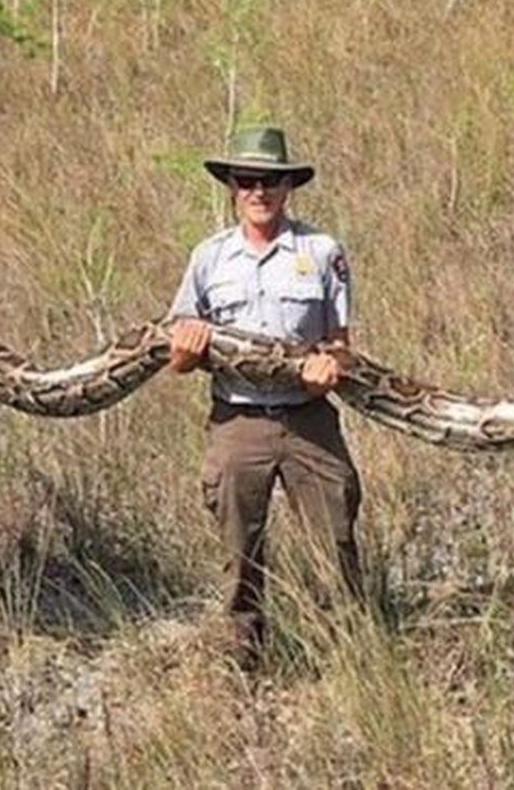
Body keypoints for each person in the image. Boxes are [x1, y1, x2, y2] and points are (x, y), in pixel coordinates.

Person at [168, 126, 362, 671]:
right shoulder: (209, 258)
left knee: (336, 542)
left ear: (288, 187)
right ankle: (243, 663)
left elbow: (344, 348)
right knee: (239, 552)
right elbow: (178, 358)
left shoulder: (322, 252)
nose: (259, 191)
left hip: (308, 419)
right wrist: (186, 348)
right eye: (248, 180)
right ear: (232, 186)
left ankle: (350, 659)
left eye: (270, 180)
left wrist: (332, 365)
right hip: (238, 420)